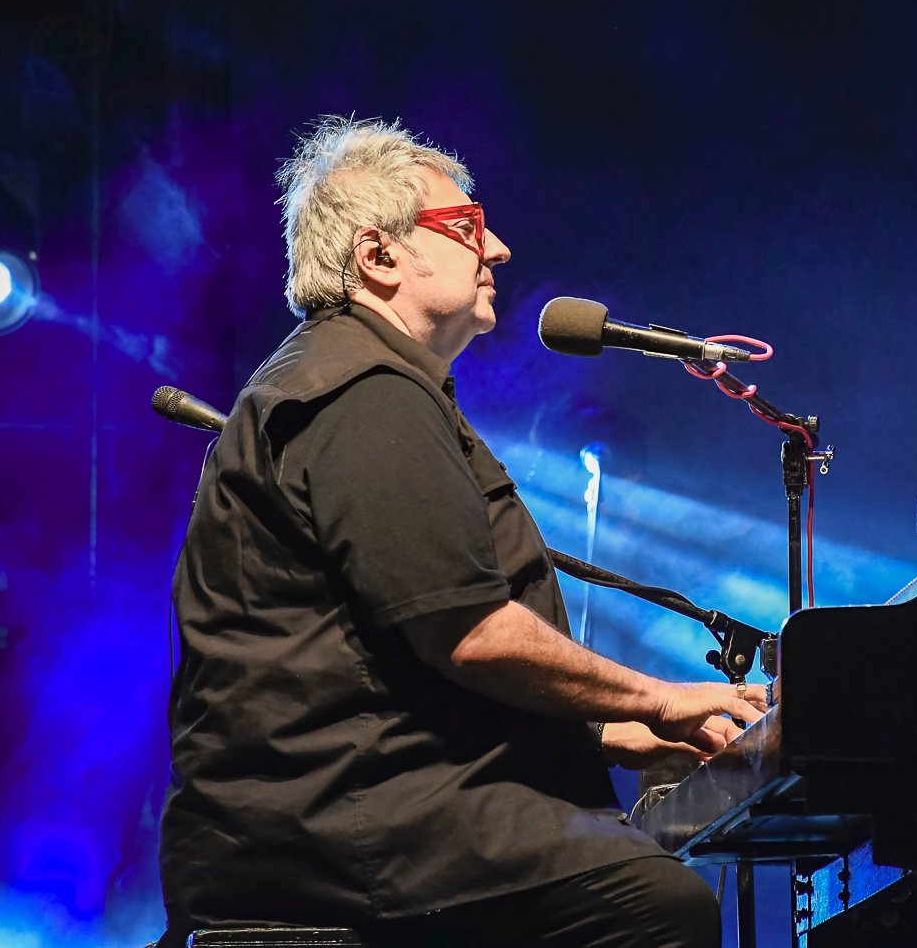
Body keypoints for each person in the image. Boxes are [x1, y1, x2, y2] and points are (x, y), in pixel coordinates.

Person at [157, 116, 765, 948]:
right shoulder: (363, 391)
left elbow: (384, 659)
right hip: (339, 828)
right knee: (659, 906)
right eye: (469, 226)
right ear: (378, 257)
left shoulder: (358, 378)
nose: (500, 248)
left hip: (341, 807)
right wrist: (661, 696)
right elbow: (468, 631)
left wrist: (613, 727)